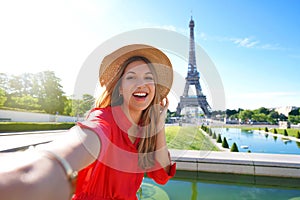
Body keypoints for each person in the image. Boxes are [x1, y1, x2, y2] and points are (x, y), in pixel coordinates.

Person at [0, 44, 176, 200]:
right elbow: (89, 134)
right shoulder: (104, 119)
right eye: (131, 77)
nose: (141, 84)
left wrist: (159, 126)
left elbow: (161, 176)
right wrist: (45, 164)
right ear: (120, 88)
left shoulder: (144, 131)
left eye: (148, 77)